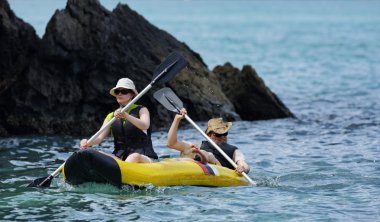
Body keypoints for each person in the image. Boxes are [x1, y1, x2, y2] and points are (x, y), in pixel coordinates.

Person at [80, 78, 158, 163]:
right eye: (117, 92)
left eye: (124, 91)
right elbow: (99, 138)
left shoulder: (142, 110)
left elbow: (145, 125)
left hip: (143, 156)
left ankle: (124, 171)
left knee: (134, 157)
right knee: (96, 154)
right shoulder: (111, 116)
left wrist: (126, 116)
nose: (120, 94)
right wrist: (87, 142)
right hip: (120, 158)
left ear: (132, 94)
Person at [167, 108, 250, 175]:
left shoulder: (234, 150)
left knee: (207, 154)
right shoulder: (197, 146)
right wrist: (177, 119)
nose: (222, 137)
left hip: (222, 171)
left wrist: (242, 167)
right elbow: (171, 144)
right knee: (196, 153)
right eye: (218, 134)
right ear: (209, 135)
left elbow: (243, 163)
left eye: (225, 133)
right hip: (201, 164)